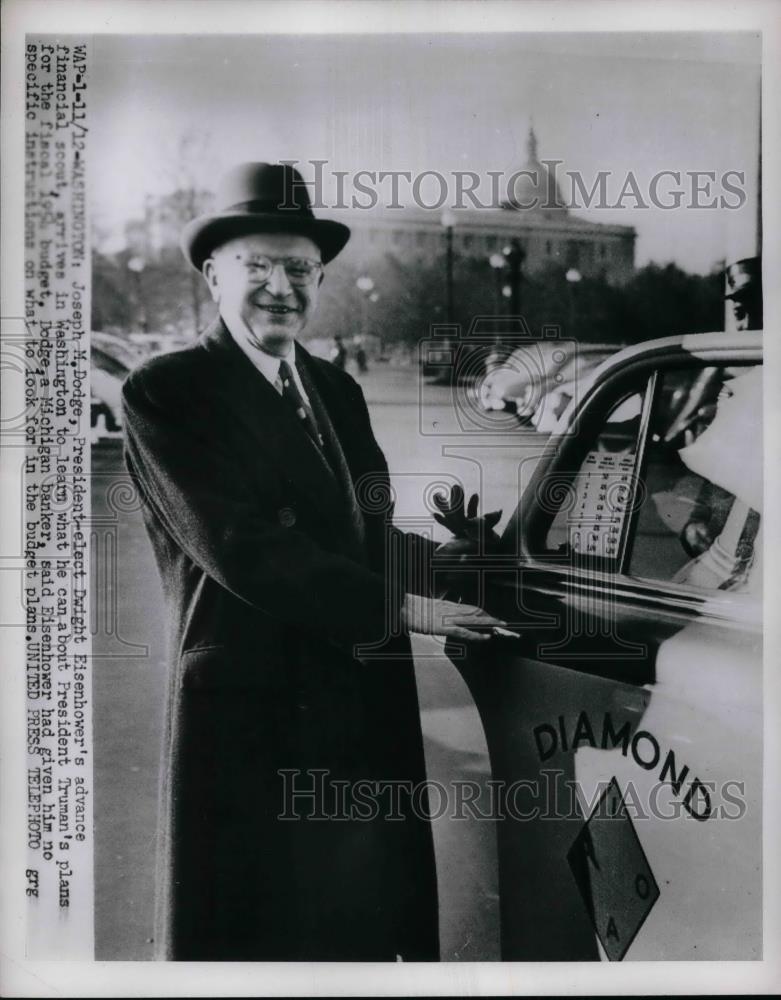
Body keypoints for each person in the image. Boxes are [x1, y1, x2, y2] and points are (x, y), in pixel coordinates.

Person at [121, 162, 504, 962]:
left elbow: (362, 536)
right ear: (212, 273)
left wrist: (459, 565)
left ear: (320, 276)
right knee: (256, 943)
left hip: (358, 700)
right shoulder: (167, 391)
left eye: (297, 268)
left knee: (358, 932)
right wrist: (398, 607)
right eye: (255, 266)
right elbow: (243, 548)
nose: (279, 287)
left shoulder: (336, 388)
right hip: (251, 712)